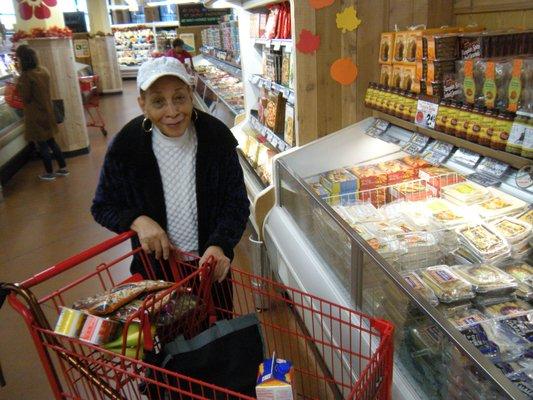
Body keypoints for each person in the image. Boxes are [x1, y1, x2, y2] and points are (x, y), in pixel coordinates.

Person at [91, 57, 249, 311]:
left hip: (210, 271)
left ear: (190, 93)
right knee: (165, 342)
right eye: (158, 102)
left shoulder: (216, 137)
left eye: (179, 98)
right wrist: (138, 221)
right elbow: (103, 206)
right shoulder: (127, 145)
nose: (172, 111)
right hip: (156, 276)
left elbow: (236, 202)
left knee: (215, 341)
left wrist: (220, 243)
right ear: (142, 104)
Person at [15, 45, 69, 181]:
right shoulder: (43, 71)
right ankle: (63, 168)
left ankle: (49, 173)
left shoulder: (26, 77)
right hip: (48, 110)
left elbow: (25, 97)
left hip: (35, 114)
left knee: (42, 145)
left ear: (23, 61)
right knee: (51, 141)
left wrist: (18, 83)